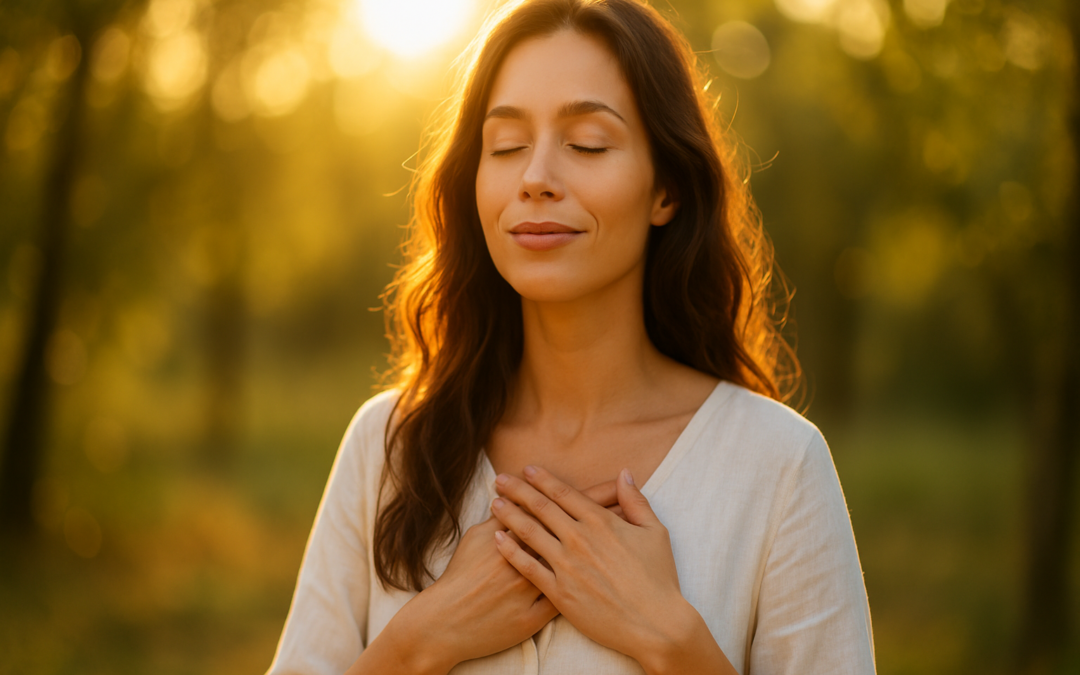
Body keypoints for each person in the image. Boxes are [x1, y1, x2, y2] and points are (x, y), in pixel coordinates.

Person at [266, 0, 875, 673]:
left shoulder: (778, 465)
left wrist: (671, 639)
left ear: (665, 188)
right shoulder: (388, 447)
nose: (535, 178)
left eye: (586, 143)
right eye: (506, 147)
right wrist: (420, 641)